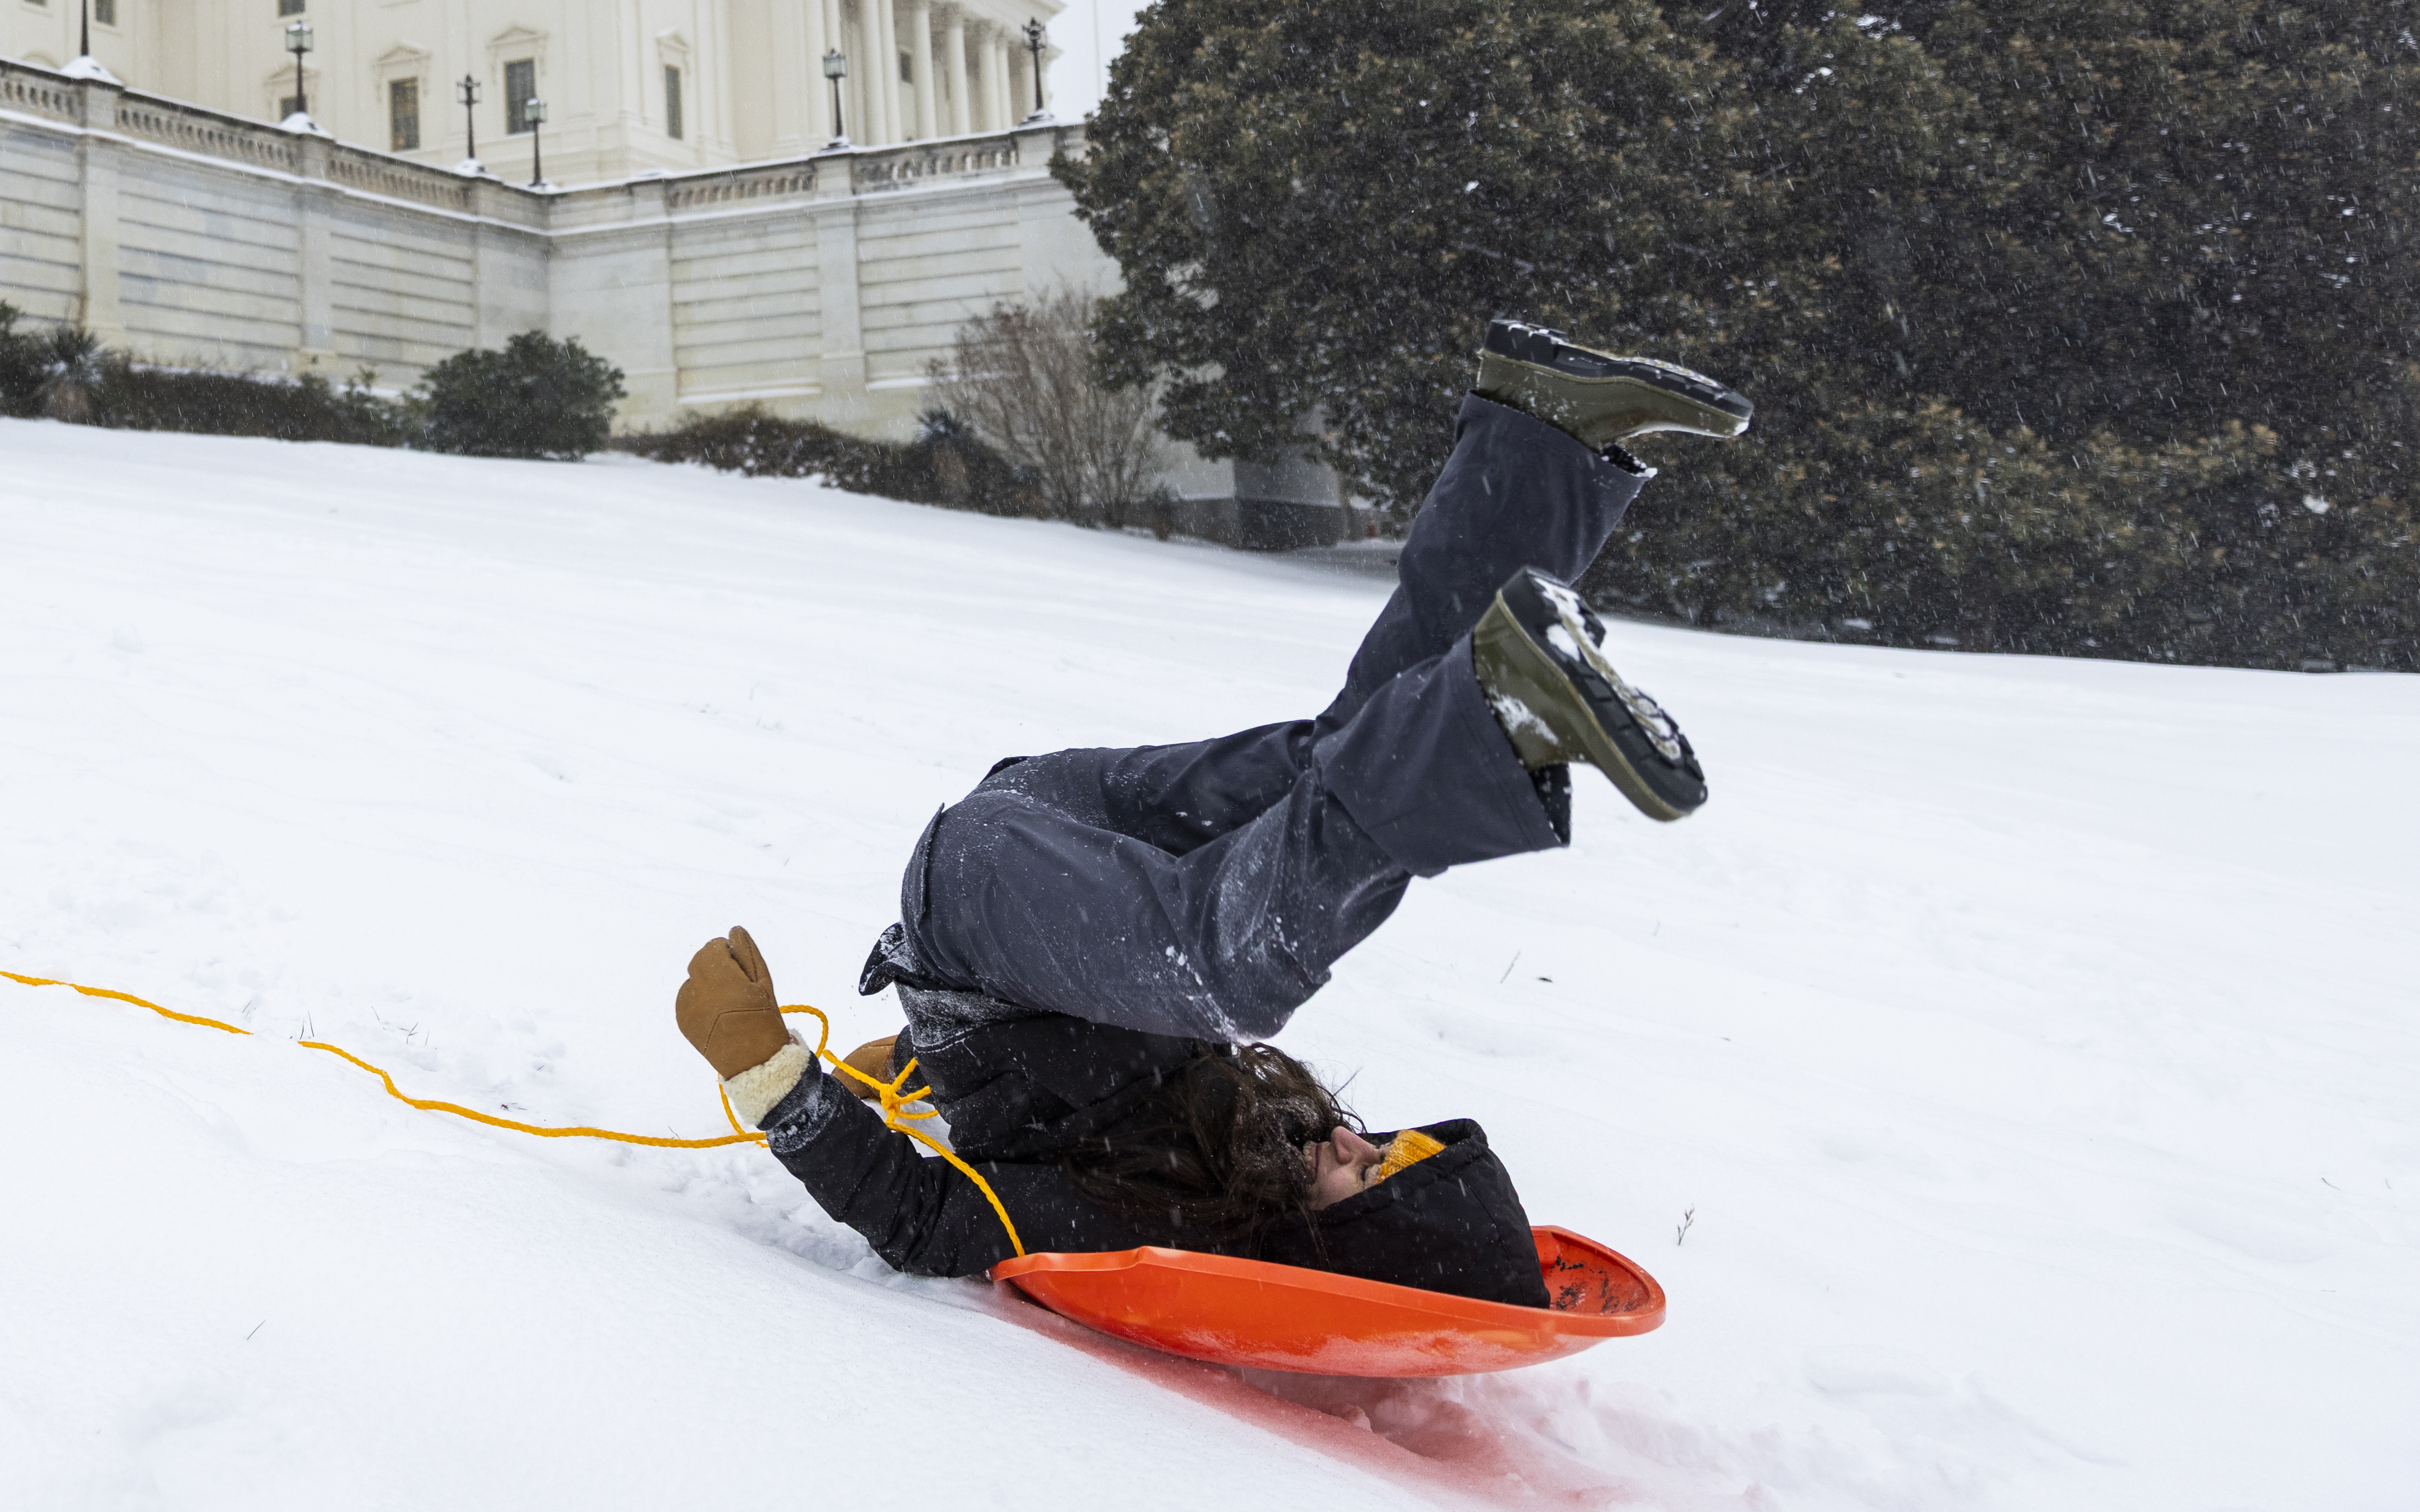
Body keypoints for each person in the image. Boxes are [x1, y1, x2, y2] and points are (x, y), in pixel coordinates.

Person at [673, 319, 1751, 1306]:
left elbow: (923, 1220)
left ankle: (1500, 698)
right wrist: (921, 1057)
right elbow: (1102, 1019)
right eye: (1387, 1143)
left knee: (1229, 967)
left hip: (978, 898)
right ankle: (1538, 447)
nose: (1350, 1139)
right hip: (1063, 828)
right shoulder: (1261, 1146)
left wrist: (772, 1075)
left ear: (1345, 1246)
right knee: (1335, 767)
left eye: (1366, 1175)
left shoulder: (1153, 1225)